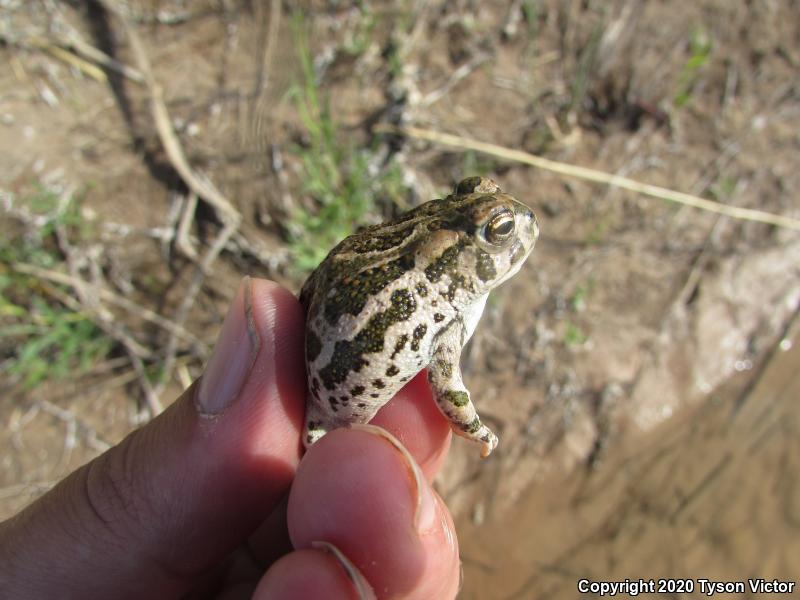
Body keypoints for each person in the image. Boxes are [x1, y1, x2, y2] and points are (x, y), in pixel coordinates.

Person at [0, 277, 460, 599]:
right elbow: (447, 384)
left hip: (322, 400)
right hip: (327, 411)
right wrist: (475, 427)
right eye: (496, 234)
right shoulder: (443, 301)